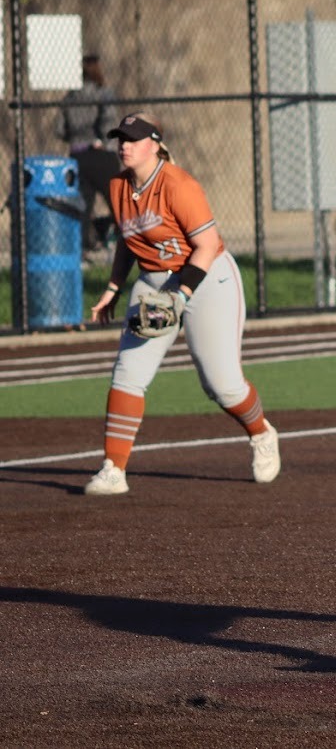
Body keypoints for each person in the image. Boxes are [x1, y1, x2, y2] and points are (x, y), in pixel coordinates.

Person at [82, 112, 281, 496]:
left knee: (221, 386)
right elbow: (128, 240)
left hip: (207, 280)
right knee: (128, 372)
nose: (124, 144)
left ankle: (261, 433)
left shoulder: (178, 184)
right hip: (154, 282)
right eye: (120, 138)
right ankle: (113, 469)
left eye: (134, 138)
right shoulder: (119, 186)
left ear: (154, 144)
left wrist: (181, 295)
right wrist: (112, 287)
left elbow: (206, 247)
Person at [60, 54, 121, 256]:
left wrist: (76, 137)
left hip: (78, 156)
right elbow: (109, 121)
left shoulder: (70, 98)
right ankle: (127, 240)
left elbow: (60, 129)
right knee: (119, 202)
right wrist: (103, 141)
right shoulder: (102, 93)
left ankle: (83, 246)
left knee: (83, 206)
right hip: (101, 154)